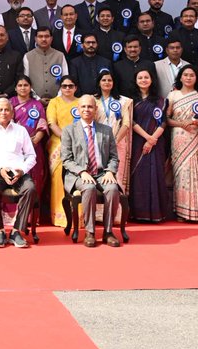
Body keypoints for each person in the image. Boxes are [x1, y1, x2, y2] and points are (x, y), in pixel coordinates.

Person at [60, 95, 122, 246]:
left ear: (95, 109)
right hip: (79, 174)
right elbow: (66, 159)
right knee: (89, 187)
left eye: (90, 107)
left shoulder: (106, 130)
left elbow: (114, 157)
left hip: (102, 173)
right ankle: (90, 232)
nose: (87, 109)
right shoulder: (69, 131)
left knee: (113, 189)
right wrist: (82, 172)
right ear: (78, 109)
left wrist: (110, 171)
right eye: (83, 107)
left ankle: (108, 232)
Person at [0, 98, 38, 248]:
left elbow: (31, 156)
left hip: (17, 172)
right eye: (0, 110)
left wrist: (22, 170)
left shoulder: (21, 130)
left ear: (12, 112)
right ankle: (0, 231)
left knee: (30, 189)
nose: (4, 113)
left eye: (7, 110)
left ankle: (17, 231)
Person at [166, 65, 198, 221]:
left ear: (196, 78)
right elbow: (166, 119)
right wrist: (181, 124)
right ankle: (181, 211)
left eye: (192, 75)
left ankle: (197, 210)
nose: (188, 77)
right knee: (181, 174)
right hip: (178, 139)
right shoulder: (173, 95)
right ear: (180, 77)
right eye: (185, 74)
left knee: (195, 173)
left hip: (197, 139)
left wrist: (197, 123)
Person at [129, 67, 170, 222]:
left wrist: (153, 139)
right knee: (139, 177)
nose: (143, 80)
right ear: (136, 81)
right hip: (138, 142)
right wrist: (147, 138)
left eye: (146, 77)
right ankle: (138, 213)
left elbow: (163, 122)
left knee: (156, 174)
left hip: (156, 143)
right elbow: (130, 121)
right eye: (140, 78)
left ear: (152, 80)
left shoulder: (160, 100)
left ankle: (156, 213)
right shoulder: (130, 101)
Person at [45, 75, 81, 227]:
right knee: (58, 180)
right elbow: (52, 124)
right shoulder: (54, 102)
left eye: (70, 86)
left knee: (78, 179)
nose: (67, 88)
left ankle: (78, 216)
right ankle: (60, 216)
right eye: (64, 86)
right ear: (60, 87)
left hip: (80, 145)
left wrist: (76, 142)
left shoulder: (81, 102)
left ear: (75, 88)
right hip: (58, 144)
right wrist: (67, 141)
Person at [94, 69, 133, 207]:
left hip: (118, 143)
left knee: (117, 176)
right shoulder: (93, 100)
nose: (107, 82)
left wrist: (115, 141)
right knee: (99, 177)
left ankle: (115, 214)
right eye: (103, 80)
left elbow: (126, 123)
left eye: (109, 80)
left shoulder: (123, 101)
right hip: (96, 144)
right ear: (99, 82)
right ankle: (98, 215)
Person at [11, 76, 49, 212]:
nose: (22, 88)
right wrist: (20, 144)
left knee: (35, 178)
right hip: (14, 148)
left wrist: (32, 142)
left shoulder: (37, 105)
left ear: (30, 87)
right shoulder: (10, 103)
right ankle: (14, 213)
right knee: (14, 177)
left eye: (26, 85)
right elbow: (7, 125)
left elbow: (42, 125)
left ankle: (32, 213)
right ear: (15, 88)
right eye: (20, 85)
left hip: (34, 146)